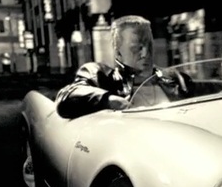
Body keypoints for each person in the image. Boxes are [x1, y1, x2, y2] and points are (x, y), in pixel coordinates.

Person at [55, 15, 191, 118]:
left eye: (148, 46)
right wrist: (110, 101)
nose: (145, 54)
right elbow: (66, 97)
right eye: (135, 48)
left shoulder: (176, 79)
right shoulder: (101, 77)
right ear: (118, 52)